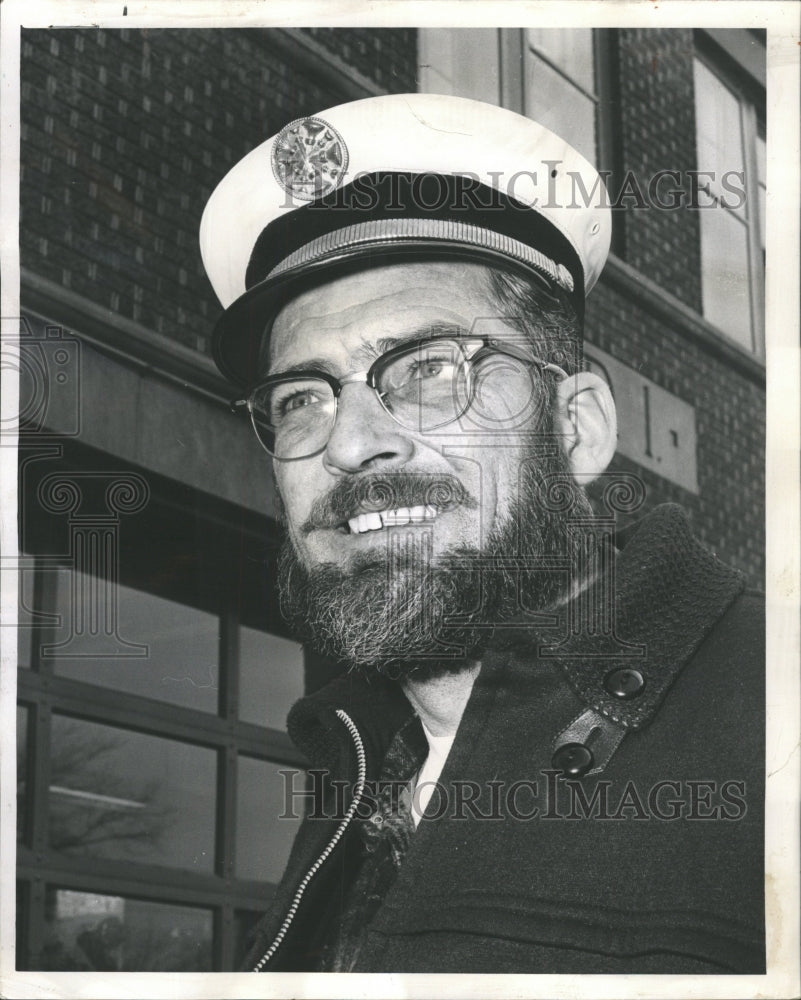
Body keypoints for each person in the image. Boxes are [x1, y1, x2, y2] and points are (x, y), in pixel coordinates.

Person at [199, 94, 764, 973]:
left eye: (428, 369)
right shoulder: (355, 761)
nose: (348, 443)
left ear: (577, 427)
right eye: (300, 399)